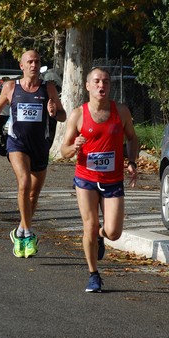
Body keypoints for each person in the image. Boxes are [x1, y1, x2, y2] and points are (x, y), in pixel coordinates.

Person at [61, 67, 139, 292]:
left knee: (113, 231)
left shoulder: (121, 112)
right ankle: (93, 274)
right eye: (96, 81)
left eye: (105, 82)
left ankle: (100, 236)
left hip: (113, 179)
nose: (101, 86)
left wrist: (131, 161)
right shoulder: (78, 115)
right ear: (87, 86)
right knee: (90, 225)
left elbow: (132, 138)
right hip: (86, 178)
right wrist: (73, 147)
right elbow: (63, 150)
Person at [0, 50, 66, 258]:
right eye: (29, 61)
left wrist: (54, 111)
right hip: (17, 144)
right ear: (22, 66)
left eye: (37, 61)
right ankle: (28, 234)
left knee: (33, 195)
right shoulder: (11, 87)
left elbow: (63, 115)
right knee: (24, 184)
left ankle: (19, 229)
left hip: (40, 146)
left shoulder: (48, 88)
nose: (34, 65)